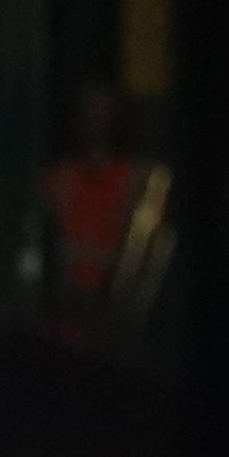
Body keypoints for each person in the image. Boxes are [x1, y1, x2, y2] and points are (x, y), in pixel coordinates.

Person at [39, 84, 163, 317]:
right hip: (64, 308)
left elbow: (139, 258)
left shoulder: (140, 180)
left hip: (118, 310)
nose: (97, 122)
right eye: (90, 114)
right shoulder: (57, 180)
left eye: (104, 115)